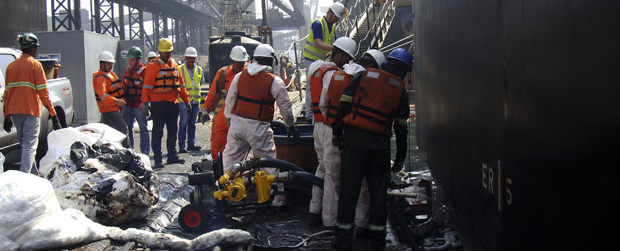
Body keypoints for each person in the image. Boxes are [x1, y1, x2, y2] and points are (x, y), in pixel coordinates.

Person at [331, 48, 413, 251]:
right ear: (404, 70)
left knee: (349, 192)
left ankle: (342, 241)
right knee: (378, 196)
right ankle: (377, 243)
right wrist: (400, 158)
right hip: (380, 149)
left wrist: (338, 132)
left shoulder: (363, 76)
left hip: (354, 144)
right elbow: (401, 128)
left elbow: (344, 105)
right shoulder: (400, 91)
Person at [222, 44, 299, 212]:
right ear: (271, 61)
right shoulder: (274, 81)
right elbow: (285, 107)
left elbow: (230, 99)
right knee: (269, 162)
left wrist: (229, 117)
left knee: (230, 160)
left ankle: (226, 195)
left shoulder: (240, 76)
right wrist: (290, 125)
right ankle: (278, 201)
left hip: (237, 124)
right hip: (257, 128)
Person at [306, 37, 359, 230]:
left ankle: (314, 210)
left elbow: (311, 101)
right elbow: (327, 102)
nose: (347, 63)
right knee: (333, 176)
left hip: (317, 127)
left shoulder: (315, 70)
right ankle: (330, 221)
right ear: (339, 54)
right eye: (346, 58)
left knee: (322, 168)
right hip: (329, 128)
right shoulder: (332, 74)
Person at [2, 33, 61, 174]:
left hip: (15, 112)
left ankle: (34, 175)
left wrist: (6, 116)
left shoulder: (11, 66)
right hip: (30, 111)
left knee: (25, 147)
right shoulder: (35, 65)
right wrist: (53, 114)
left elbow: (7, 93)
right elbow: (43, 93)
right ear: (33, 49)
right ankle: (25, 179)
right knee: (29, 147)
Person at [140, 38, 190, 168]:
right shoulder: (152, 66)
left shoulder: (175, 66)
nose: (166, 55)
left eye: (168, 52)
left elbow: (181, 85)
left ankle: (172, 156)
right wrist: (145, 103)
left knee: (173, 130)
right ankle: (157, 160)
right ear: (159, 52)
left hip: (172, 104)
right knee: (157, 132)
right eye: (163, 53)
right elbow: (147, 86)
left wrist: (186, 101)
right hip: (158, 104)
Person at [302, 2, 348, 124]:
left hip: (321, 60)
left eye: (338, 18)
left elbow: (334, 42)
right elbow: (318, 43)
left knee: (321, 86)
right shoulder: (318, 24)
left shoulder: (332, 27)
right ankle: (309, 115)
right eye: (336, 17)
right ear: (329, 12)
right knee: (310, 87)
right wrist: (333, 49)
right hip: (311, 59)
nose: (336, 20)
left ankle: (319, 112)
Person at [202, 45, 248, 160]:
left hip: (239, 115)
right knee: (217, 144)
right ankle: (218, 171)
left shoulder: (248, 74)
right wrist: (205, 109)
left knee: (237, 148)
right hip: (222, 115)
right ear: (232, 60)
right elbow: (213, 92)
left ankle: (237, 174)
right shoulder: (223, 73)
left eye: (242, 62)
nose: (240, 65)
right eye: (237, 62)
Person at [93, 50, 130, 148]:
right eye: (108, 63)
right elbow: (102, 95)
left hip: (113, 108)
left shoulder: (110, 74)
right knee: (123, 129)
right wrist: (116, 101)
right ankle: (127, 151)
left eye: (111, 63)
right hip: (109, 109)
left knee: (107, 133)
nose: (111, 66)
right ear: (102, 64)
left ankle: (113, 151)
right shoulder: (100, 78)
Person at [121, 46, 149, 154]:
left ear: (138, 60)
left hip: (139, 105)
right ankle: (130, 151)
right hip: (128, 104)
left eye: (132, 60)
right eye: (129, 60)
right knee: (127, 130)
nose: (130, 62)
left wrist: (145, 103)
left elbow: (147, 89)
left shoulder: (144, 72)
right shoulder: (127, 70)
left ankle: (145, 152)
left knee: (143, 129)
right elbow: (124, 86)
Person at [178, 47, 203, 153]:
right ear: (185, 58)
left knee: (192, 123)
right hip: (184, 101)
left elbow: (200, 82)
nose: (191, 60)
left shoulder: (199, 69)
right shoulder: (180, 69)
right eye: (189, 58)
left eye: (193, 58)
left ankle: (191, 144)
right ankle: (182, 145)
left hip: (195, 100)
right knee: (183, 123)